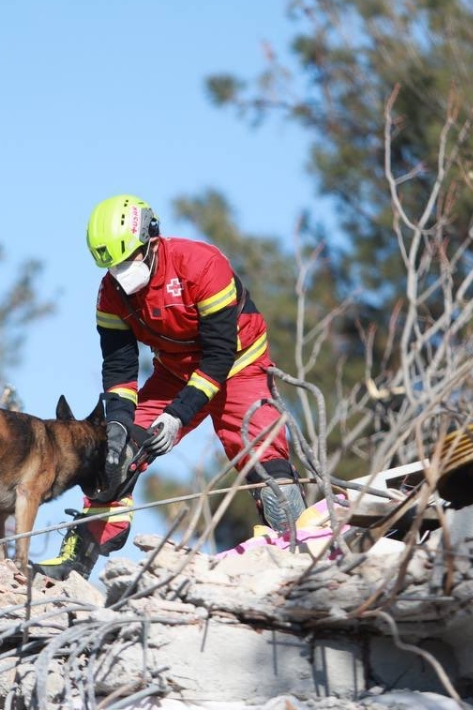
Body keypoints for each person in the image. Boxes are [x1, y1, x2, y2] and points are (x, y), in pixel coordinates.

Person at [33, 194, 309, 581]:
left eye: (128, 260)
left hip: (240, 365)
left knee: (264, 456)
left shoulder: (202, 265)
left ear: (151, 240)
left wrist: (177, 416)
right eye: (113, 265)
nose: (122, 272)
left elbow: (218, 355)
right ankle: (79, 557)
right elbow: (119, 365)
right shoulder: (110, 294)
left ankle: (299, 552)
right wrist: (119, 426)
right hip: (174, 372)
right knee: (114, 453)